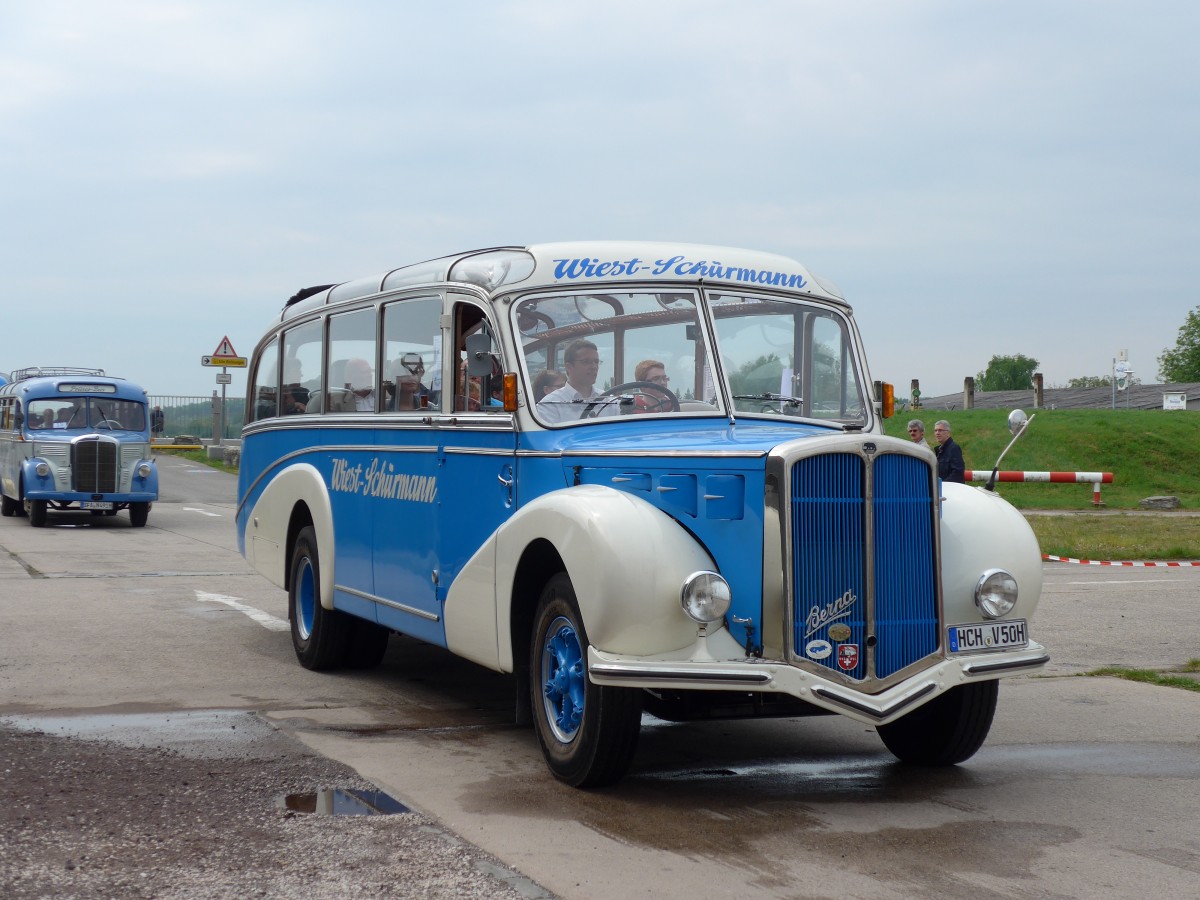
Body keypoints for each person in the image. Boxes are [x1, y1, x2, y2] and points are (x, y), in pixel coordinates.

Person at [536, 340, 610, 424]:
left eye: (596, 362)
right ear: (569, 367)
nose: (594, 366)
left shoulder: (608, 400)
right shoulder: (549, 405)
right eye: (586, 362)